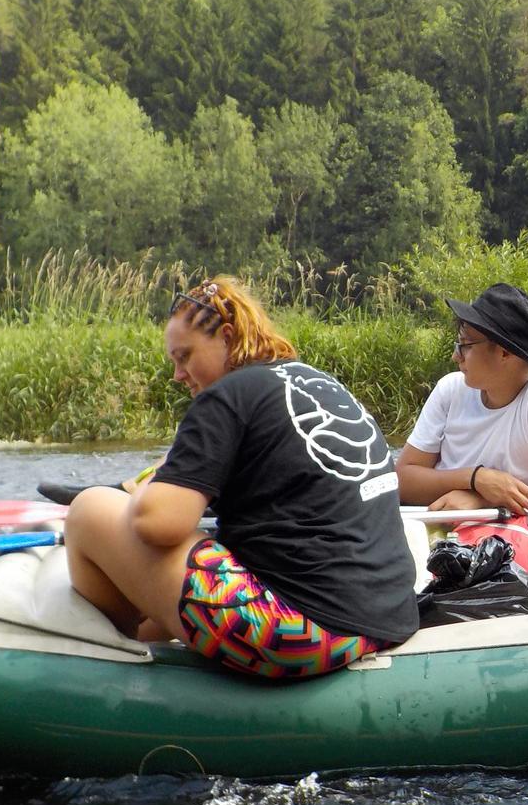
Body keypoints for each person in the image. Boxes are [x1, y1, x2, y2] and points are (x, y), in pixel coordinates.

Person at [63, 277, 419, 679]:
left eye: (185, 357)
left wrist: (151, 483)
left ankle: (112, 664)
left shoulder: (225, 397)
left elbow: (158, 523)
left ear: (227, 337)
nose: (178, 375)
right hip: (386, 617)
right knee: (164, 612)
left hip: (305, 633)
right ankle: (141, 638)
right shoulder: (316, 383)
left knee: (90, 509)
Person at [398, 283, 528, 515]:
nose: (455, 356)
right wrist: (477, 479)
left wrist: (482, 500)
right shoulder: (450, 390)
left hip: (508, 543)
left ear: (504, 352)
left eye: (465, 345)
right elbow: (402, 481)